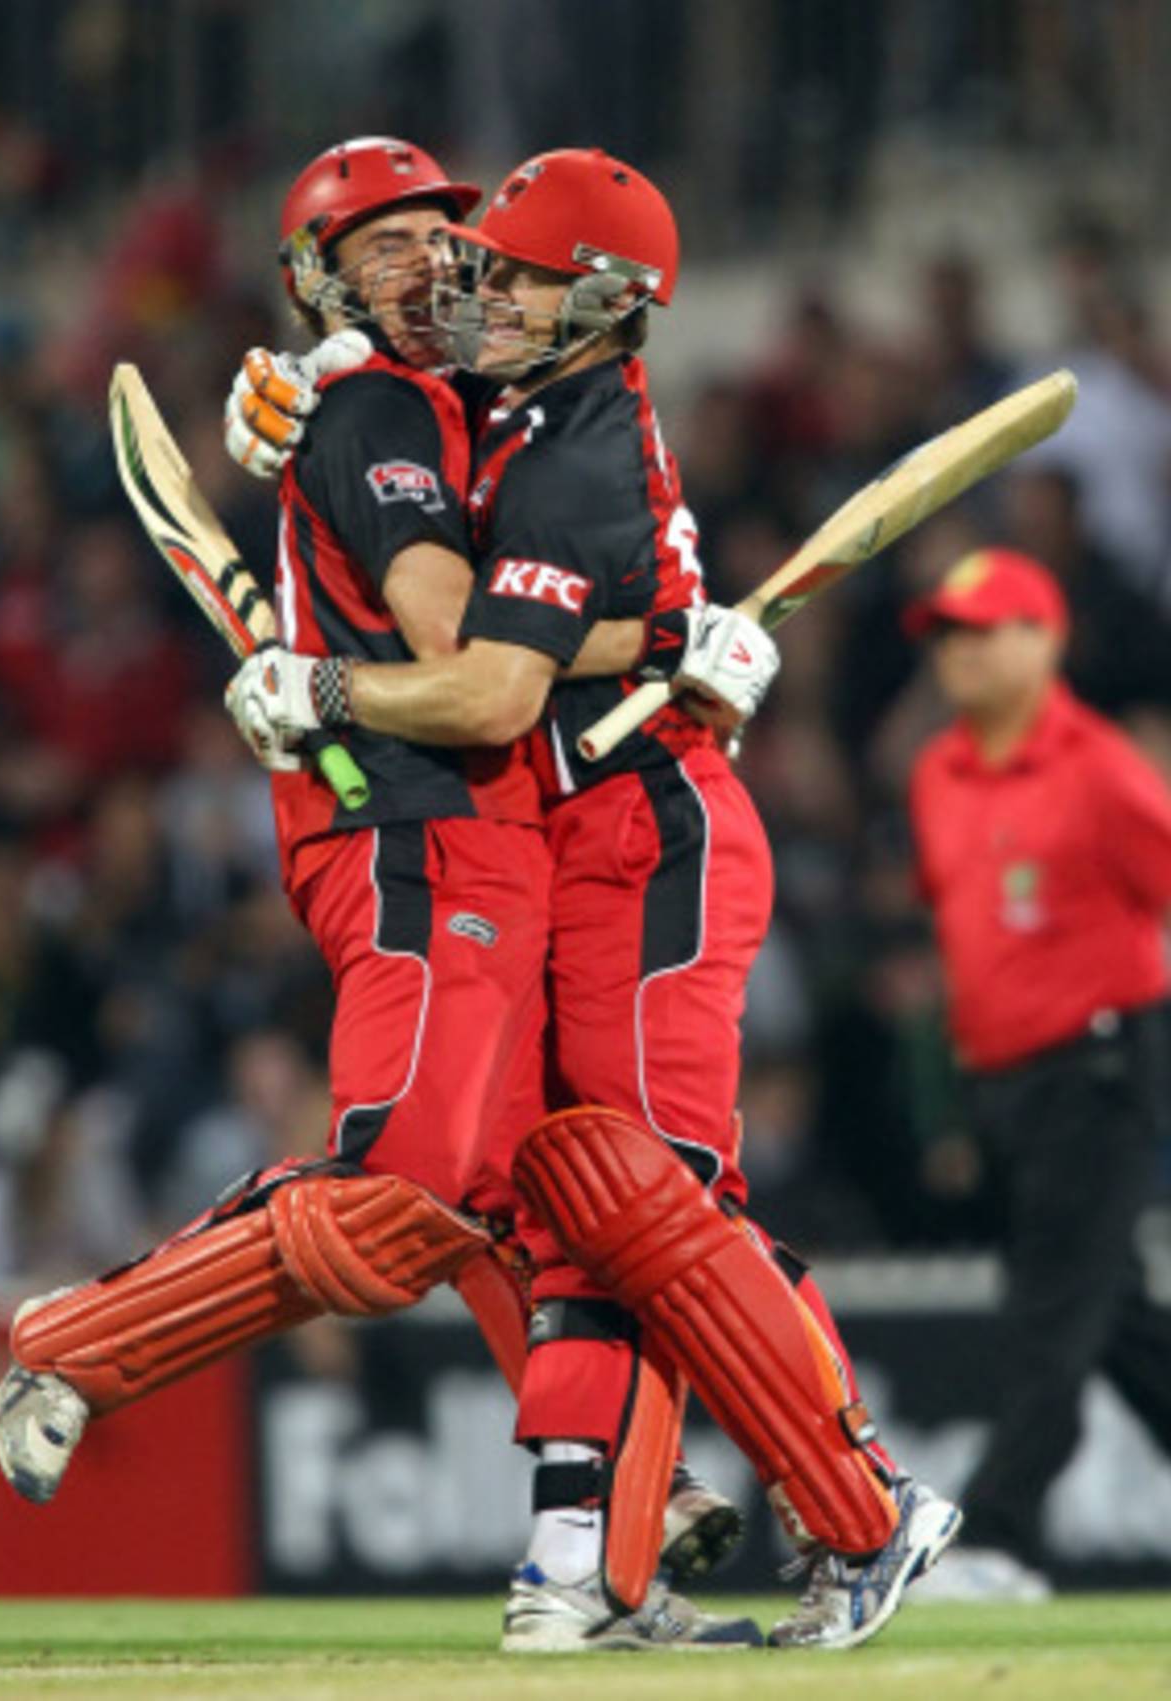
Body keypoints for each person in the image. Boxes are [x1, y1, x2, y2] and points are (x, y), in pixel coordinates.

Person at [0, 135, 764, 1654]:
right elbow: (468, 657)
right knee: (410, 1181)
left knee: (530, 1192)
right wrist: (670, 639)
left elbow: (574, 532)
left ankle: (602, 1539)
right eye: (379, 246)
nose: (422, 263)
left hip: (508, 831)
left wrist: (670, 610)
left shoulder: (477, 392)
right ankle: (73, 1346)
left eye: (439, 236)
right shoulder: (381, 408)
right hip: (410, 823)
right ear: (313, 280)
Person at [226, 145, 961, 1650]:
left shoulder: (566, 441)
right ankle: (598, 1562)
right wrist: (295, 404)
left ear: (604, 302)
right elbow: (400, 443)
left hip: (651, 828)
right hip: (571, 839)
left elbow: (494, 684)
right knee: (582, 1208)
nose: (476, 289)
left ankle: (848, 1511)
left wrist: (329, 686)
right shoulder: (504, 400)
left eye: (513, 273)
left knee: (649, 1200)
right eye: (476, 264)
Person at [904, 545, 1171, 1600]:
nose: (956, 653)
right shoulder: (935, 774)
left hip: (1098, 1064)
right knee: (1108, 1315)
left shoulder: (1097, 767)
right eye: (945, 634)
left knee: (1047, 1311)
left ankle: (995, 1537)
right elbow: (965, 943)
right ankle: (997, 1537)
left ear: (1042, 638)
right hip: (1004, 1082)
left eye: (980, 630)